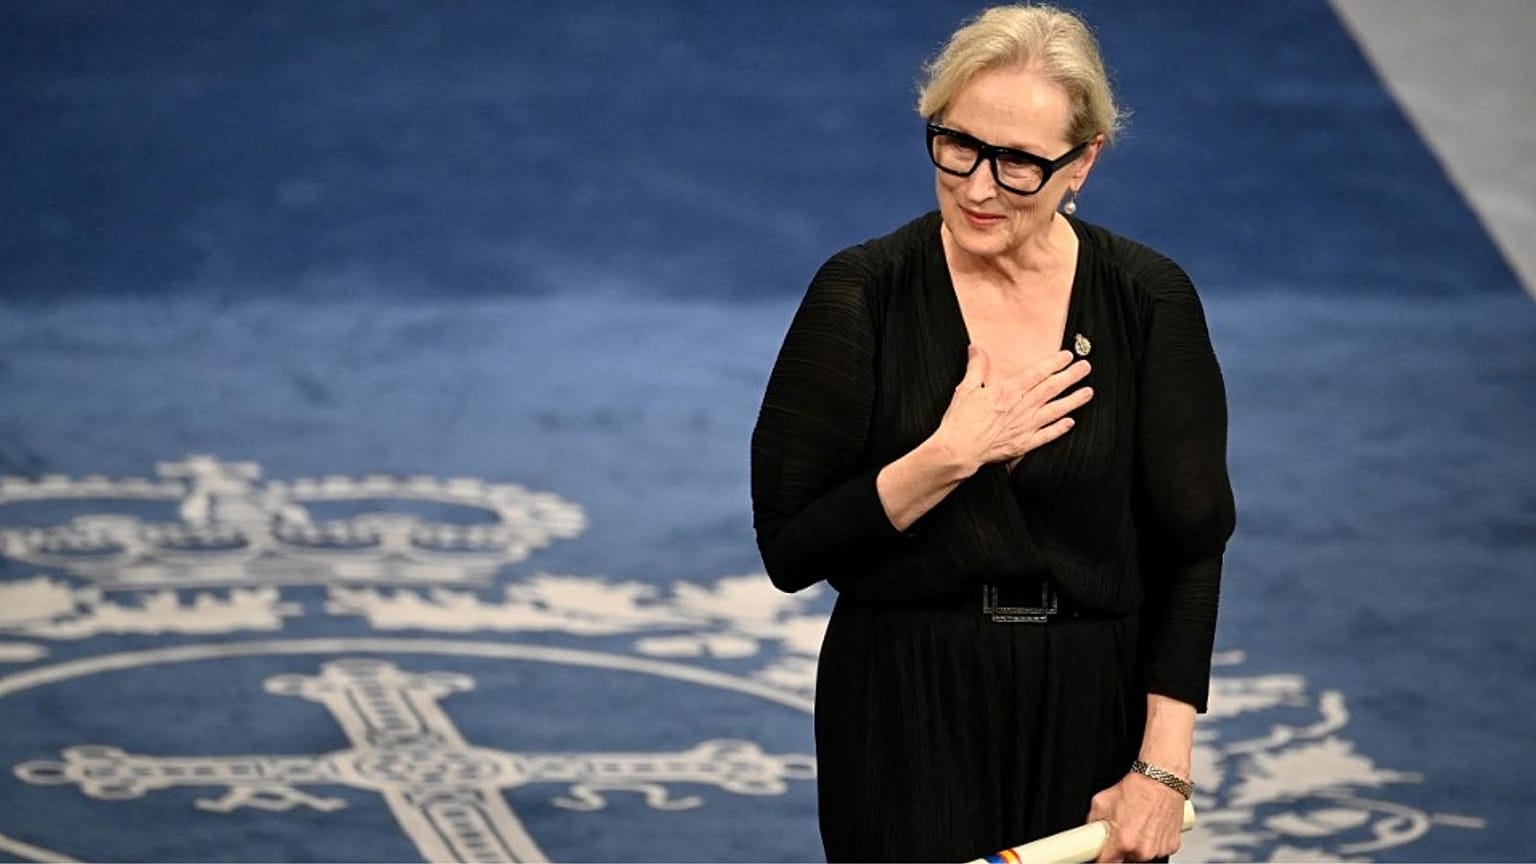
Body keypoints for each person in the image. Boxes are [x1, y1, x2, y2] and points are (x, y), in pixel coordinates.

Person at [749, 4, 1237, 862]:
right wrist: (947, 457)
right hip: (902, 706)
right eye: (958, 145)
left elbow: (1188, 548)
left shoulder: (1147, 301)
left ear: (1082, 161)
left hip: (1092, 704)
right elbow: (791, 549)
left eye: (1018, 163)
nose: (977, 187)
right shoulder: (861, 295)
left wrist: (1162, 771)